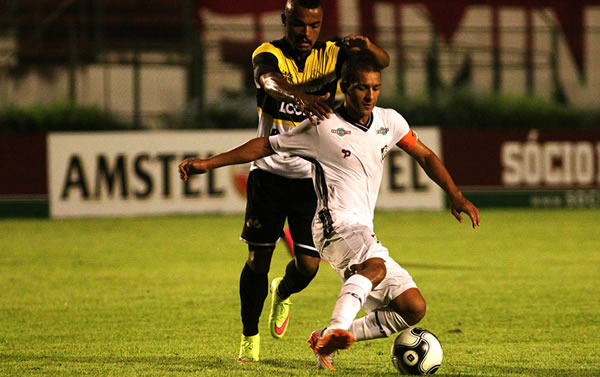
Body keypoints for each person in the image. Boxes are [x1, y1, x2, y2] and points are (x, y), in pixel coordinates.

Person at [179, 53, 480, 369]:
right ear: (345, 87)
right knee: (374, 266)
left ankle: (327, 336)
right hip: (332, 223)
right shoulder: (322, 127)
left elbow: (426, 155)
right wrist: (209, 163)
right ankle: (335, 331)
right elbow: (265, 145)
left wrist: (456, 195)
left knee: (412, 307)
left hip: (362, 226)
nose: (369, 95)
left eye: (375, 88)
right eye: (362, 87)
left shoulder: (389, 122)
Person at [189, 0, 389, 363]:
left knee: (309, 266)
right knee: (256, 260)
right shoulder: (269, 55)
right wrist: (302, 97)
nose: (306, 33)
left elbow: (380, 63)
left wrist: (366, 46)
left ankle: (282, 291)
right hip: (267, 173)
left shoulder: (333, 54)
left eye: (314, 26)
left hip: (311, 181)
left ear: (321, 24)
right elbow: (268, 80)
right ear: (285, 21)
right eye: (298, 24)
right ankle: (249, 337)